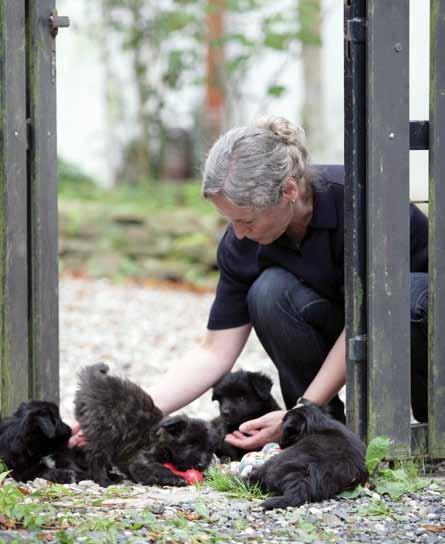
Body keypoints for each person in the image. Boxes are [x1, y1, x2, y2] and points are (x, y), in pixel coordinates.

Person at [69, 116, 429, 451]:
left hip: (417, 325)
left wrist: (301, 408)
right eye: (231, 220)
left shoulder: (361, 201)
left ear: (289, 190)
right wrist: (131, 412)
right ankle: (322, 432)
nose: (238, 232)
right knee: (269, 292)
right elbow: (214, 350)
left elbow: (367, 317)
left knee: (398, 295)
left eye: (247, 220)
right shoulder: (242, 244)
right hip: (352, 323)